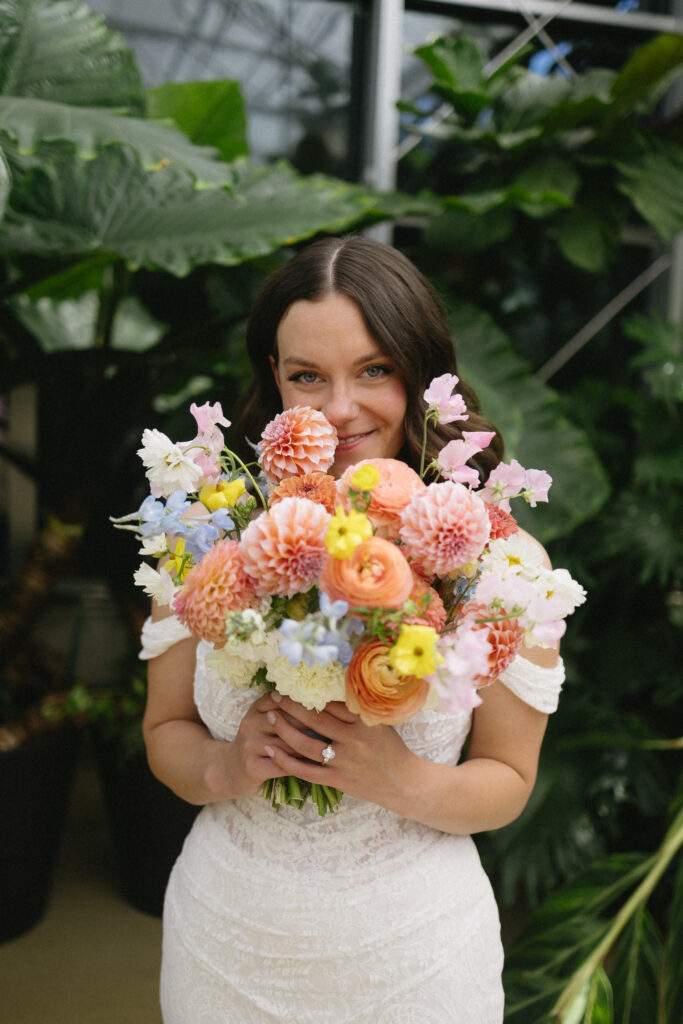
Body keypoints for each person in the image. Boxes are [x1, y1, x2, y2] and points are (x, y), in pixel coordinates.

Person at [141, 236, 564, 1024]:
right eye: (308, 376)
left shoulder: (501, 558)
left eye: (373, 370)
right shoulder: (209, 534)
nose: (339, 408)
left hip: (417, 955)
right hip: (225, 944)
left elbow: (507, 780)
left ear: (419, 368)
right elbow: (165, 728)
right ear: (274, 376)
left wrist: (397, 778)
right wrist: (227, 768)